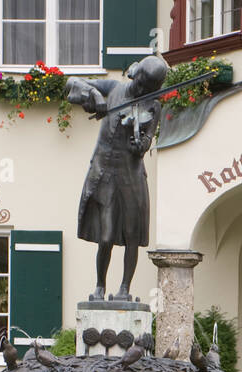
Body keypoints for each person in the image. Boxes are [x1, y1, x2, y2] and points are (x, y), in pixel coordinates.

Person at [66, 56, 169, 302]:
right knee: (106, 234)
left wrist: (139, 144)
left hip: (131, 175)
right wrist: (95, 96)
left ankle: (124, 288)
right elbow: (73, 82)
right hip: (104, 172)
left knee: (132, 234)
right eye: (141, 86)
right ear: (137, 77)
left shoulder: (152, 106)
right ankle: (99, 287)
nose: (142, 92)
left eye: (148, 90)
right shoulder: (113, 88)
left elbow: (146, 142)